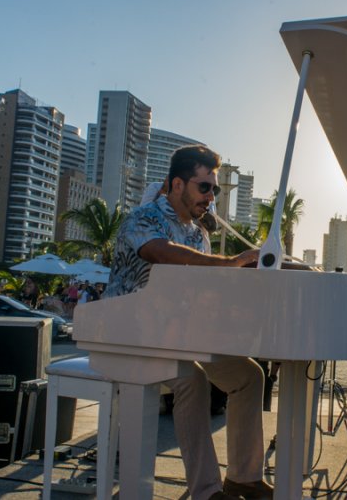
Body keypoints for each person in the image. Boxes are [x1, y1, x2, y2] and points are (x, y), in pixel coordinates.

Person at [104, 144, 269, 500]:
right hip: (126, 336)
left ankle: (244, 477)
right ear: (177, 184)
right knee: (191, 378)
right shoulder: (143, 218)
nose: (211, 197)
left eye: (215, 190)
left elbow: (204, 291)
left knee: (249, 375)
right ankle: (207, 491)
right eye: (204, 187)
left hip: (174, 338)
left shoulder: (198, 235)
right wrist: (230, 263)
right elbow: (163, 254)